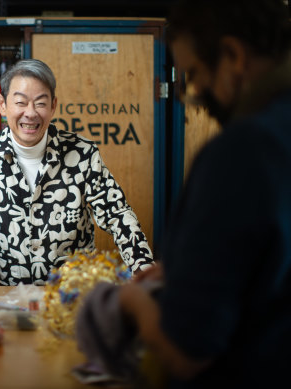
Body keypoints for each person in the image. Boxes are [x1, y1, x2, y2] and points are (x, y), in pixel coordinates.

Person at [102, 0, 291, 387]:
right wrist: (187, 272)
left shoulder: (244, 150)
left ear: (234, 56)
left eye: (196, 75)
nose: (198, 92)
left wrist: (126, 303)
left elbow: (186, 349)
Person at [0, 58, 154, 288]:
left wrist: (143, 268)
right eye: (20, 102)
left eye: (40, 103)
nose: (30, 113)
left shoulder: (82, 153)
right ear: (2, 104)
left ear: (53, 106)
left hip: (73, 300)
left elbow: (118, 215)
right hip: (11, 300)